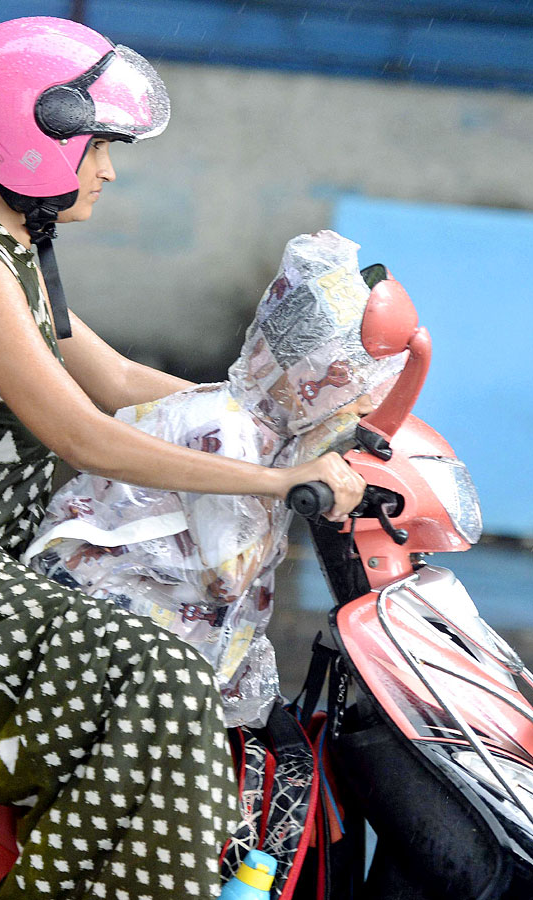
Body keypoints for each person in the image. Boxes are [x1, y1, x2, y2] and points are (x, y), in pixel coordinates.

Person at [0, 17, 365, 900]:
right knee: (162, 676)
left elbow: (113, 377)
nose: (108, 172)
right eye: (97, 149)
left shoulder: (12, 253)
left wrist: (271, 422)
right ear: (34, 140)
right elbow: (85, 433)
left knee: (174, 677)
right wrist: (276, 480)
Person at [26, 230, 403, 732]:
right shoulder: (229, 432)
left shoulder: (260, 428)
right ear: (305, 374)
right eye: (354, 386)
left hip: (170, 637)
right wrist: (286, 481)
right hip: (110, 637)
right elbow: (226, 578)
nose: (365, 405)